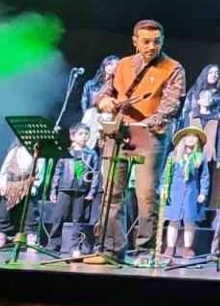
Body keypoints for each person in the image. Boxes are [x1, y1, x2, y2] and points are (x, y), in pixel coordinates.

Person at [93, 19, 187, 260]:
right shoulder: (123, 65)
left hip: (150, 136)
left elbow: (170, 105)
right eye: (146, 42)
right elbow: (105, 92)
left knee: (146, 195)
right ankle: (111, 249)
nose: (151, 46)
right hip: (119, 133)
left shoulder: (173, 68)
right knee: (112, 193)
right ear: (135, 42)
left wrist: (146, 123)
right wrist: (105, 101)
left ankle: (146, 251)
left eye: (157, 42)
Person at [159, 125, 210, 259]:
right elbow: (166, 174)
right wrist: (163, 188)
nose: (191, 139)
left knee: (189, 221)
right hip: (175, 191)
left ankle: (187, 248)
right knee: (173, 220)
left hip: (192, 192)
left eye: (194, 137)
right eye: (188, 136)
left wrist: (203, 192)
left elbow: (204, 176)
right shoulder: (173, 155)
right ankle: (170, 247)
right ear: (183, 139)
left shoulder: (200, 157)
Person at [48, 125, 98, 257]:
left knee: (78, 220)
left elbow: (95, 174)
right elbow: (57, 173)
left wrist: (92, 192)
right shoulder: (66, 153)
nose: (84, 137)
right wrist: (53, 190)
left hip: (81, 190)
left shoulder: (91, 154)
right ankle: (53, 244)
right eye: (80, 134)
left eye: (86, 134)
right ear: (72, 136)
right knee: (59, 217)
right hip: (65, 188)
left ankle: (75, 246)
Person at [0, 142, 40, 250]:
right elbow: (5, 168)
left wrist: (35, 185)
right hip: (11, 185)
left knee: (30, 215)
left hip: (27, 185)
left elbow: (40, 171)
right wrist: (1, 184)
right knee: (4, 215)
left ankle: (31, 242)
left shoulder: (38, 152)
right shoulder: (14, 150)